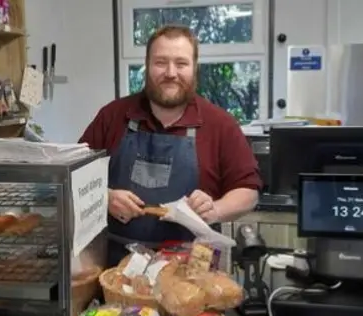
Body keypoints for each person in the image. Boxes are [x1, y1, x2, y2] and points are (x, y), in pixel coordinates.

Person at [79, 25, 262, 267]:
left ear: (194, 68)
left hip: (193, 271)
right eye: (161, 62)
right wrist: (104, 197)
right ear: (147, 65)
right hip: (115, 265)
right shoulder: (113, 116)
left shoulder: (221, 124)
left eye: (181, 63)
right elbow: (76, 179)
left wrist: (215, 210)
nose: (171, 72)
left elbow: (248, 192)